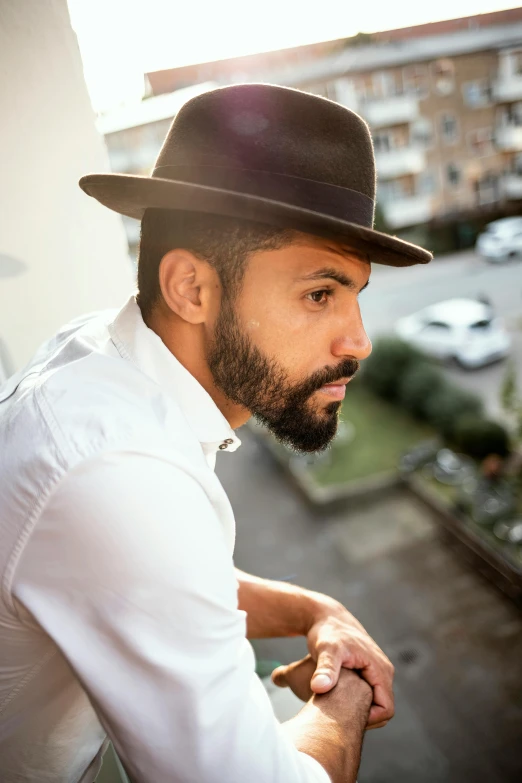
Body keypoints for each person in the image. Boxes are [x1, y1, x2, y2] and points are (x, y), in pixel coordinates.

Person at [0, 83, 432, 783]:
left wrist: (317, 610)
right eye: (319, 294)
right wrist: (345, 693)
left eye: (356, 296)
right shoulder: (115, 469)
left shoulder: (100, 355)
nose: (359, 341)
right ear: (191, 289)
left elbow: (165, 576)